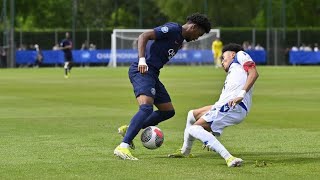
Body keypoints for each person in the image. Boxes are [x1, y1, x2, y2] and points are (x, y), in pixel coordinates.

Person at [114, 13, 212, 160]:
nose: (197, 37)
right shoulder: (173, 29)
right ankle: (123, 146)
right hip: (143, 70)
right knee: (146, 108)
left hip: (153, 74)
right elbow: (144, 36)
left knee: (168, 111)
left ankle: (130, 129)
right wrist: (142, 60)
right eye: (199, 33)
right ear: (194, 27)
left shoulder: (179, 40)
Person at [168, 43, 259, 167]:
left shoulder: (240, 55)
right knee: (192, 115)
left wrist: (241, 95)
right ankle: (185, 151)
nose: (222, 61)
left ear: (232, 54)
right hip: (223, 105)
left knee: (194, 128)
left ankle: (229, 158)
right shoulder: (233, 71)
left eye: (223, 57)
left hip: (235, 105)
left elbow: (254, 73)